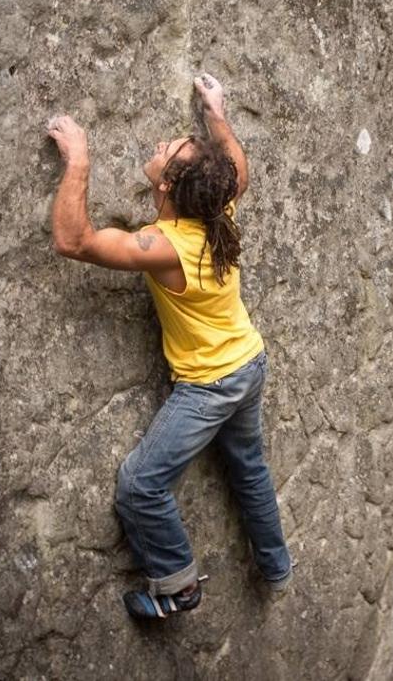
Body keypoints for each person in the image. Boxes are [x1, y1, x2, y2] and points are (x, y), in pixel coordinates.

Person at [46, 73, 293, 620]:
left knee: (140, 485)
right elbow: (239, 168)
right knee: (248, 468)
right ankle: (276, 566)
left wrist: (79, 159)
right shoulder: (215, 208)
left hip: (211, 383)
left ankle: (177, 586)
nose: (159, 146)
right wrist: (216, 112)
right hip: (249, 360)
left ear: (167, 189)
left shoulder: (169, 247)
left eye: (170, 154)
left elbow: (73, 240)